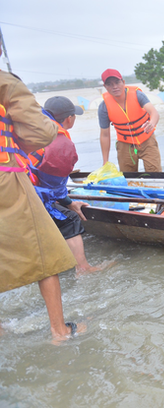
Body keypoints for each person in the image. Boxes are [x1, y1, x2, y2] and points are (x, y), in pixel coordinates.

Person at [0, 66, 81, 340]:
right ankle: (60, 331)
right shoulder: (6, 81)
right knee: (46, 253)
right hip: (6, 177)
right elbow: (40, 132)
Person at [37, 96, 100, 276]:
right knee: (69, 219)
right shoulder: (60, 141)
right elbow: (53, 187)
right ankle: (84, 269)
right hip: (29, 192)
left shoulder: (33, 127)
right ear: (68, 119)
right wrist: (68, 202)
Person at [98, 69, 162, 172]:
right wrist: (105, 161)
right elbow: (105, 135)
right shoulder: (103, 107)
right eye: (109, 84)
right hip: (124, 144)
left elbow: (154, 113)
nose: (114, 87)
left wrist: (151, 123)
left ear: (123, 82)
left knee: (155, 173)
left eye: (117, 82)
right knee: (128, 176)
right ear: (105, 87)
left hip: (147, 140)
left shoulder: (137, 95)